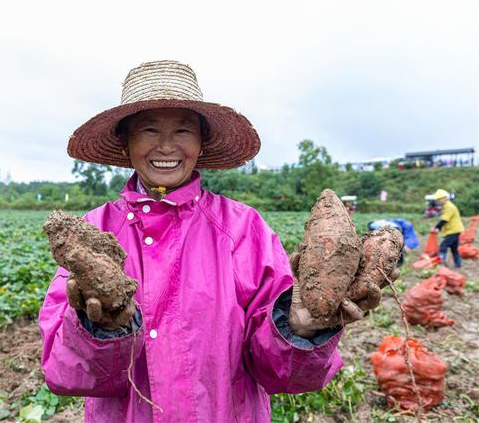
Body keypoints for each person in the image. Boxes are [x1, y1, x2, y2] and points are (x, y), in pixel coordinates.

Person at [38, 60, 395, 422]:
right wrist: (101, 329)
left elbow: (276, 371)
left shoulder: (243, 229)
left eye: (182, 131)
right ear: (126, 143)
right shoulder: (93, 233)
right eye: (148, 130)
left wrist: (301, 327)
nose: (166, 146)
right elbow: (62, 370)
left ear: (201, 143)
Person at [431, 189, 464, 268]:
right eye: (437, 200)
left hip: (453, 231)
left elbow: (444, 220)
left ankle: (440, 263)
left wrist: (436, 227)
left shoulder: (449, 207)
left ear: (445, 198)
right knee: (454, 249)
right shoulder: (446, 206)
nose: (438, 201)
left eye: (439, 199)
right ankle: (458, 265)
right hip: (454, 230)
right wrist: (438, 228)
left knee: (443, 246)